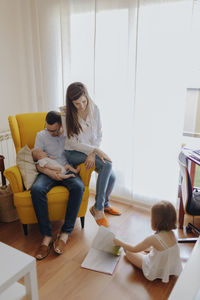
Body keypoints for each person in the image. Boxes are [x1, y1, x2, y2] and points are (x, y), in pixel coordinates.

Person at [60, 82, 121, 228]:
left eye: (83, 101)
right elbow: (72, 142)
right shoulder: (66, 113)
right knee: (108, 165)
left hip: (91, 151)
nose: (81, 105)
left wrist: (94, 151)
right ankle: (98, 209)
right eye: (77, 103)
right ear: (71, 102)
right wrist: (93, 151)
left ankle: (104, 204)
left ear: (87, 97)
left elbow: (99, 134)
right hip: (72, 152)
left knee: (112, 176)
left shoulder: (95, 109)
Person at [31, 111, 85, 260]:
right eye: (48, 129)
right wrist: (48, 170)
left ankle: (65, 233)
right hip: (49, 170)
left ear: (61, 125)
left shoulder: (68, 134)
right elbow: (37, 156)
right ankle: (47, 236)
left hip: (66, 168)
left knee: (79, 187)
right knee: (36, 190)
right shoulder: (41, 135)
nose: (51, 133)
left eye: (54, 130)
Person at [114, 201, 183, 283]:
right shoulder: (173, 234)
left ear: (155, 220)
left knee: (127, 251)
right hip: (170, 268)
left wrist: (119, 242)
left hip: (154, 270)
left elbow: (134, 249)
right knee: (148, 249)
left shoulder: (153, 238)